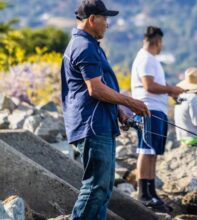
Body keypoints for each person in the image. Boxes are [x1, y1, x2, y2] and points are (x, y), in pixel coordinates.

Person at [61, 0, 149, 219]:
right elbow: (95, 89)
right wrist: (130, 102)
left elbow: (100, 88)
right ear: (92, 19)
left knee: (104, 188)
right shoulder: (84, 47)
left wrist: (118, 110)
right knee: (95, 187)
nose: (108, 24)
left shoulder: (90, 45)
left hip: (100, 123)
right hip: (92, 126)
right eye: (105, 19)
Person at [131, 26, 184, 207]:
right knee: (146, 150)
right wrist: (171, 89)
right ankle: (143, 193)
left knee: (153, 152)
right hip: (148, 109)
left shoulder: (151, 59)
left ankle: (151, 191)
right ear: (158, 42)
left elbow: (156, 84)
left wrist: (171, 91)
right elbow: (149, 86)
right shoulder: (145, 58)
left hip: (156, 110)